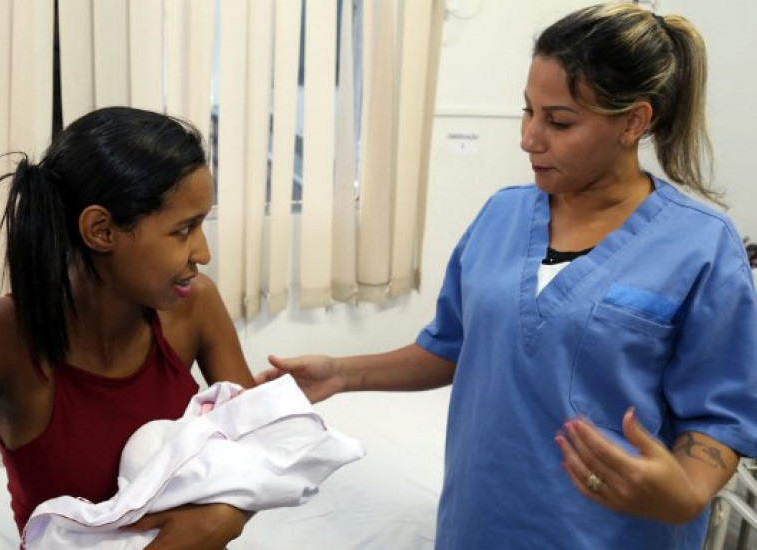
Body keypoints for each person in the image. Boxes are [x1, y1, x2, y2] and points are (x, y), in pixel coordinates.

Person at [257, 3, 757, 549]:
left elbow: (719, 414)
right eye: (527, 112)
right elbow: (454, 346)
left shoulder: (701, 244)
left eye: (559, 121)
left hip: (608, 532)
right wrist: (341, 373)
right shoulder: (503, 214)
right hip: (480, 520)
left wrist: (684, 492)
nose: (529, 138)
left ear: (634, 121)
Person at [0, 106, 255, 549]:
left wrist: (223, 517)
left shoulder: (195, 305)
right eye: (184, 229)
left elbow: (265, 449)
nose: (203, 252)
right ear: (101, 230)